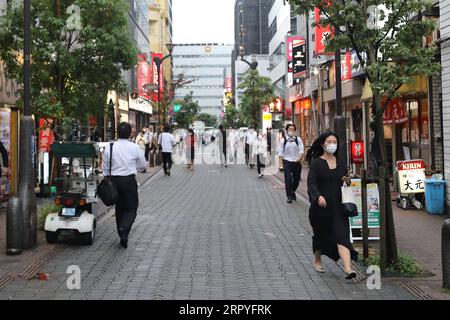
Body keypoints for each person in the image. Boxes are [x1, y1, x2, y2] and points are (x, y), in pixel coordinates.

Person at [306, 131, 358, 279]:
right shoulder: (316, 163)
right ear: (323, 144)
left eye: (335, 141)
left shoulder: (341, 162)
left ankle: (348, 269)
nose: (332, 145)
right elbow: (311, 183)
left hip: (338, 207)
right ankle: (317, 261)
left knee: (342, 236)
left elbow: (345, 182)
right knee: (320, 236)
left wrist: (348, 181)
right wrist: (317, 196)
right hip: (320, 208)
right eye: (329, 142)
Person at [102, 122, 147, 248]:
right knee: (132, 208)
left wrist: (106, 177)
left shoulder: (110, 147)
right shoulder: (134, 147)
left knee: (119, 208)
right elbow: (143, 165)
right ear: (130, 133)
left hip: (114, 181)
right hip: (129, 181)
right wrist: (136, 167)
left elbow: (105, 166)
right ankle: (124, 230)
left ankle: (122, 234)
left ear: (117, 132)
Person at [278, 124, 304, 203]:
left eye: (293, 129)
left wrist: (298, 159)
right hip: (287, 162)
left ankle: (293, 191)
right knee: (288, 179)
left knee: (296, 180)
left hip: (296, 162)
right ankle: (289, 196)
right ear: (287, 130)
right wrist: (280, 165)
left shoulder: (298, 139)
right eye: (290, 129)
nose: (291, 130)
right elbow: (280, 153)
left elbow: (301, 150)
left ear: (295, 131)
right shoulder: (283, 140)